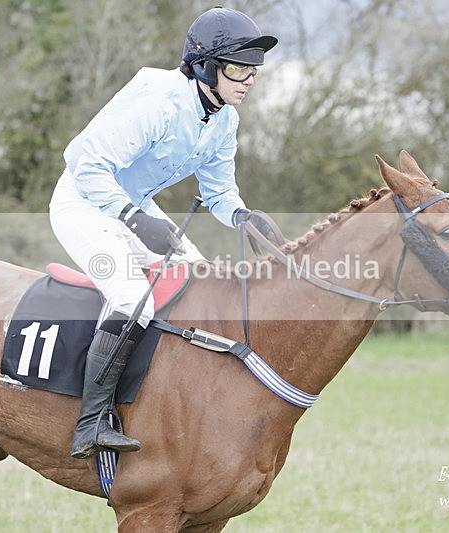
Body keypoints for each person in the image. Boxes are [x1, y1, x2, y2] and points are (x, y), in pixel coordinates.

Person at [49, 7, 278, 459]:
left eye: (253, 69)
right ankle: (91, 421)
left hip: (135, 207)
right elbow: (85, 164)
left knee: (200, 281)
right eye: (238, 67)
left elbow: (218, 190)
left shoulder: (224, 118)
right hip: (83, 201)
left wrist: (241, 216)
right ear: (205, 67)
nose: (248, 78)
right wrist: (134, 220)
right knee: (133, 295)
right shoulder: (158, 101)